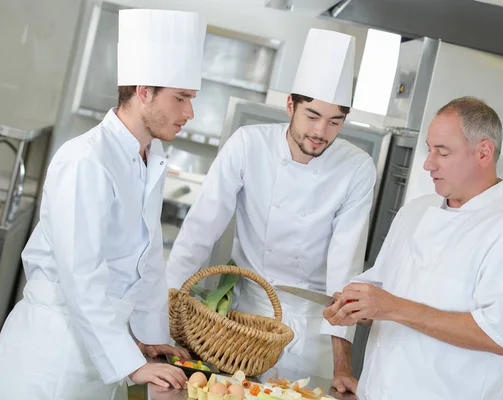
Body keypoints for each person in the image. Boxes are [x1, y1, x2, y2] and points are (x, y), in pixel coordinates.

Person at [0, 9, 207, 400]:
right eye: (181, 99)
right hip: (52, 356)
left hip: (103, 356)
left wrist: (148, 341)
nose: (189, 113)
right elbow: (82, 274)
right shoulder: (86, 159)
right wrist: (131, 362)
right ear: (144, 91)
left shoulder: (150, 158)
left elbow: (145, 265)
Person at [166, 28, 376, 392]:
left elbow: (345, 271)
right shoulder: (249, 144)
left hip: (313, 330)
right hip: (241, 328)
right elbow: (200, 230)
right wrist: (164, 316)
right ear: (291, 105)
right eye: (312, 116)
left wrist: (343, 365)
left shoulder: (357, 167)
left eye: (335, 122)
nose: (321, 132)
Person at [324, 97, 503, 399]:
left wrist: (391, 307)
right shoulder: (414, 211)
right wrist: (353, 306)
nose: (428, 164)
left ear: (484, 152)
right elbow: (381, 286)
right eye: (429, 149)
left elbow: (494, 334)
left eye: (442, 152)